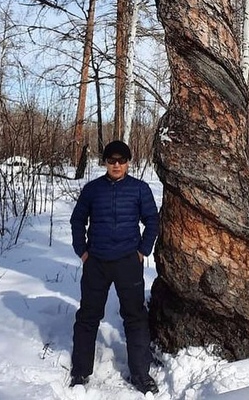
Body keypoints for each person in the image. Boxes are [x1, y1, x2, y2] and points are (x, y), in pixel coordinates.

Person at [69, 140, 159, 395]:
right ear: (105, 162)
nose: (116, 165)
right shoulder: (92, 190)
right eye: (111, 160)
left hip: (128, 262)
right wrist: (82, 251)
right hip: (96, 261)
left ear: (128, 162)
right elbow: (78, 219)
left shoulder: (140, 190)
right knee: (87, 316)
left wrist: (143, 250)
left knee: (135, 317)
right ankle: (80, 371)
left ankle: (141, 374)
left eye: (121, 160)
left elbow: (152, 219)